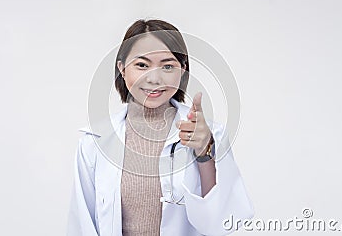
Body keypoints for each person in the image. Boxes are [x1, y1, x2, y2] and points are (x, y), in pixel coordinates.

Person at [67, 19, 254, 236]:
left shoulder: (208, 135)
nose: (154, 79)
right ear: (122, 69)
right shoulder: (94, 142)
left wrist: (205, 153)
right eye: (142, 65)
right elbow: (83, 226)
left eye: (167, 66)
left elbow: (221, 223)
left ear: (182, 71)